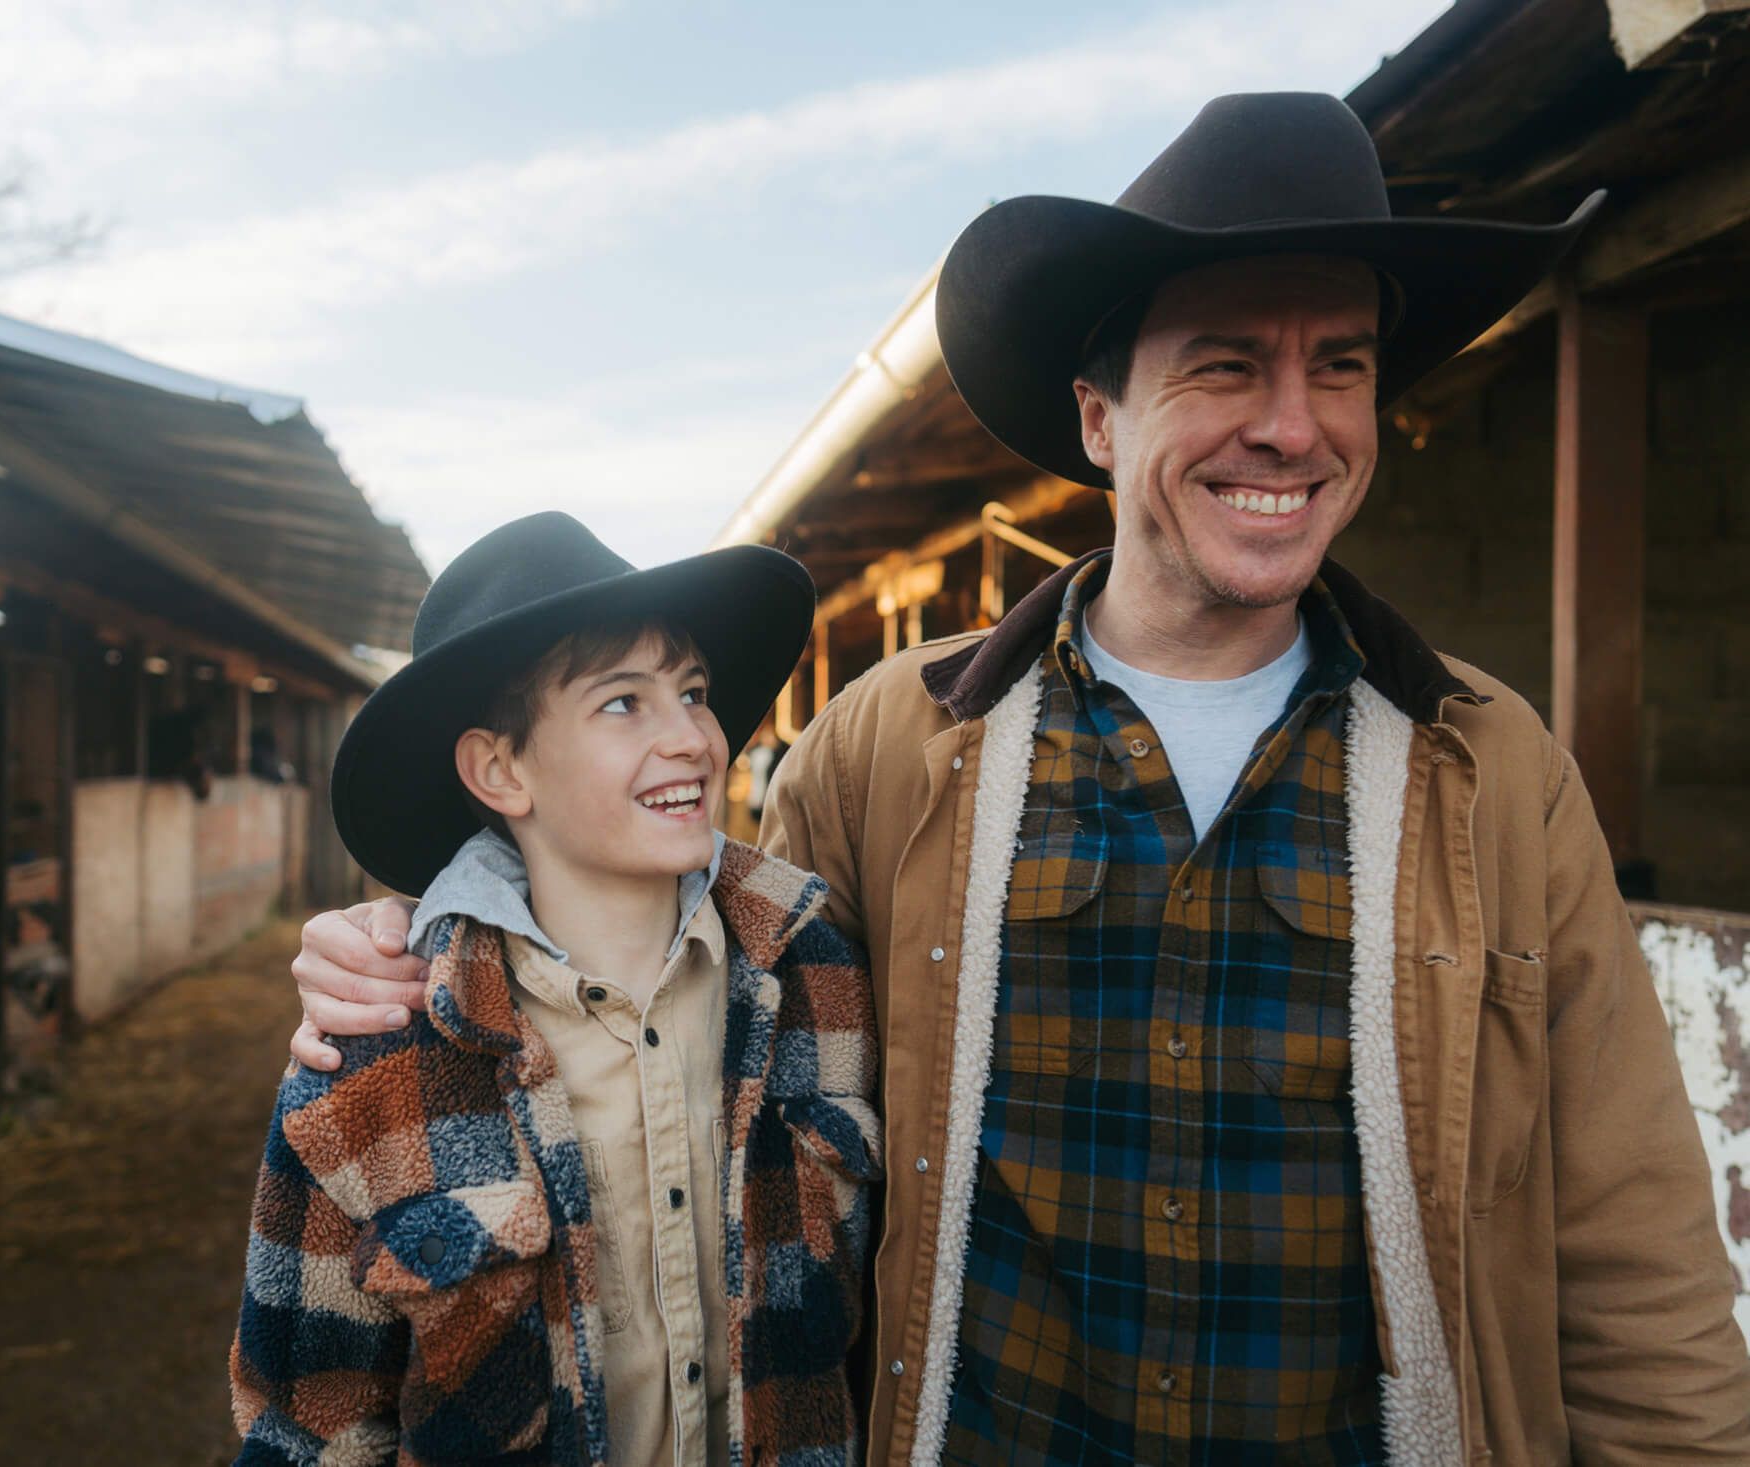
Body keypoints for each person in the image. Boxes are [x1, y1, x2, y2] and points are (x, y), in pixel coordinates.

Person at [287, 93, 1750, 1463]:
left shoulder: (1495, 772)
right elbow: (685, 980)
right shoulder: (887, 748)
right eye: (1228, 363)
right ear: (1102, 419)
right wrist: (433, 932)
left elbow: (1637, 1260)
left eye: (1341, 367)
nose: (1294, 424)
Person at [229, 513, 881, 1466]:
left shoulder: (819, 971)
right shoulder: (372, 1051)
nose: (694, 738)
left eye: (692, 690)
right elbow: (307, 1428)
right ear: (500, 769)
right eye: (624, 702)